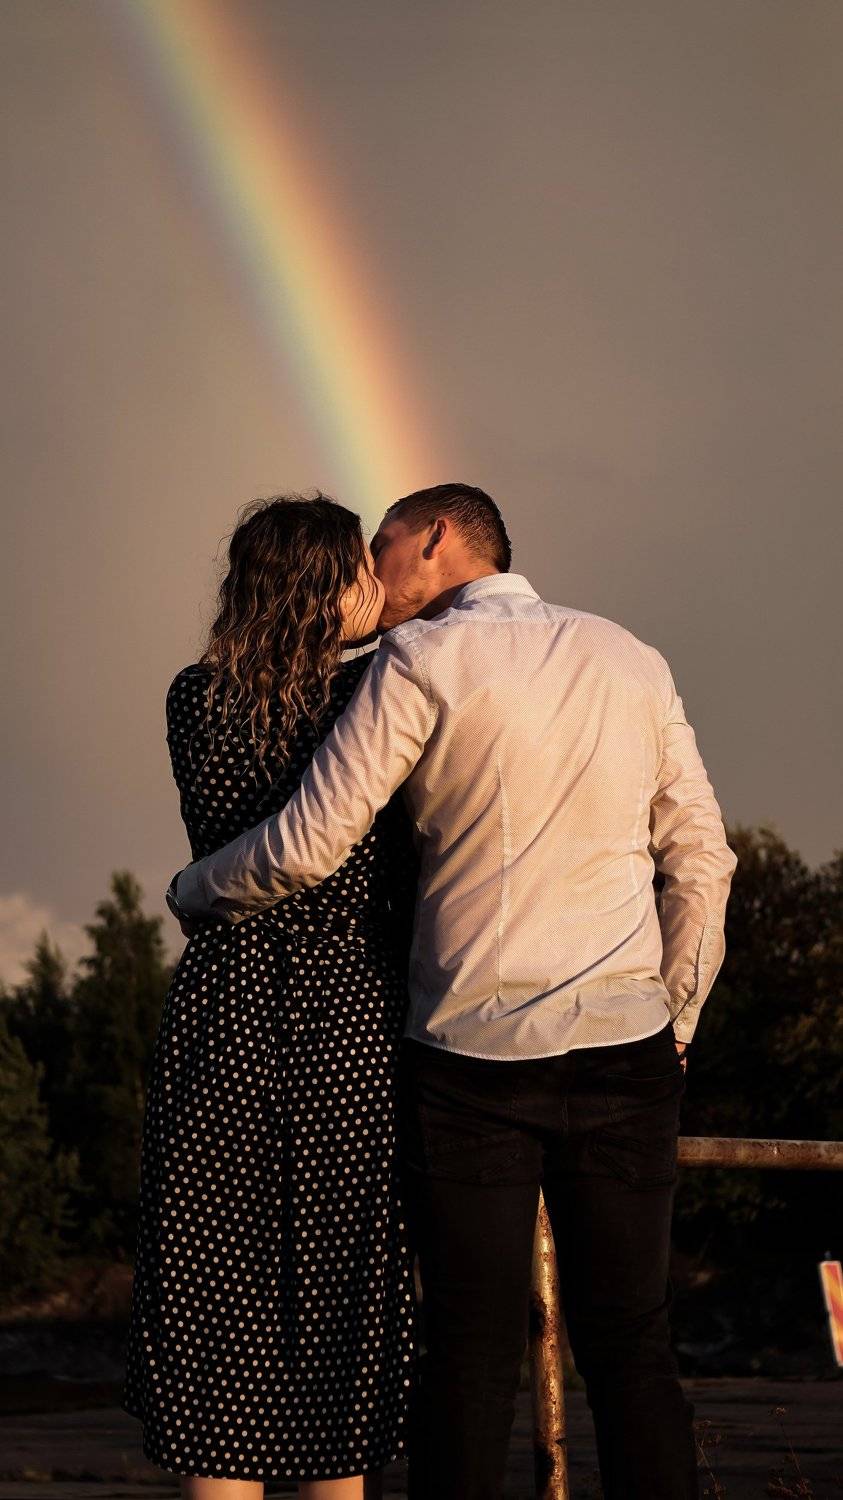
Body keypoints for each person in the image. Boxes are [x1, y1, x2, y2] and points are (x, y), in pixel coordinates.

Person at [169, 482, 738, 1500]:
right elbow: (702, 860)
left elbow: (309, 843)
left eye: (381, 544)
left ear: (433, 537)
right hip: (626, 1050)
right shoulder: (630, 657)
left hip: (472, 1062)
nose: (372, 572)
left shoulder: (416, 661)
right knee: (633, 1348)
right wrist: (677, 1021)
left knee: (470, 1357)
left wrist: (191, 890)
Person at [123, 495, 419, 1500]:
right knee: (338, 1280)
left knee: (213, 1277)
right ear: (322, 587)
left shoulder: (193, 698)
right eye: (361, 571)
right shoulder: (376, 694)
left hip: (225, 1000)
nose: (378, 588)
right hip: (344, 1004)